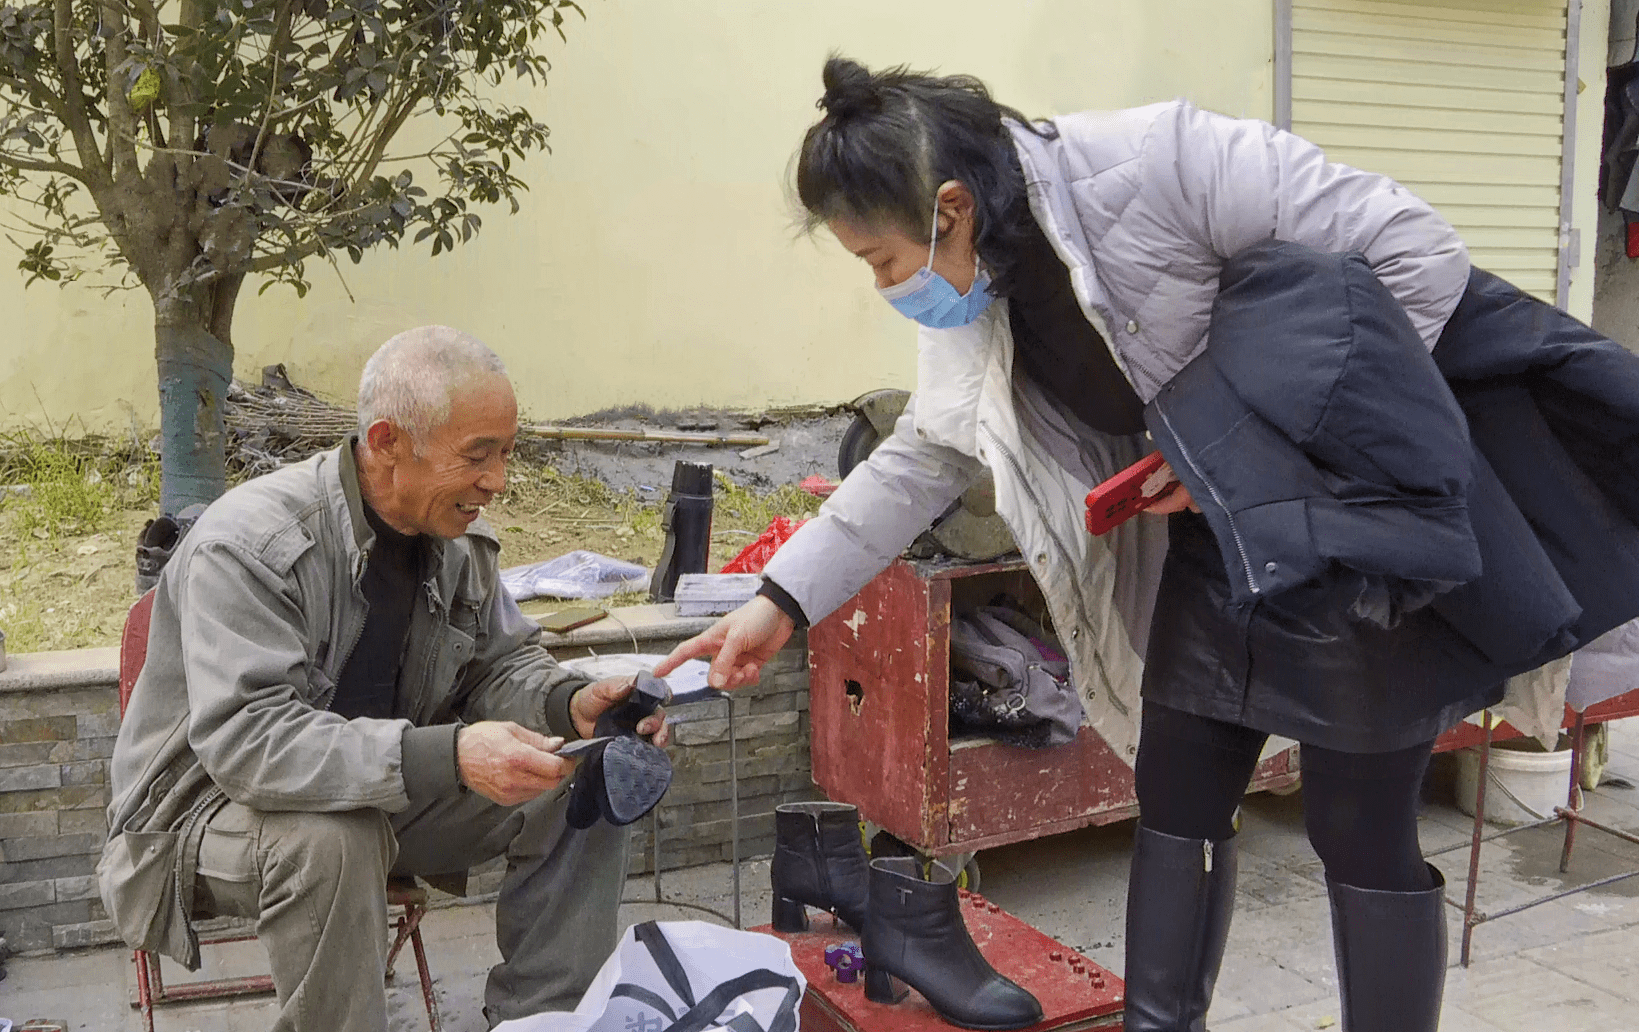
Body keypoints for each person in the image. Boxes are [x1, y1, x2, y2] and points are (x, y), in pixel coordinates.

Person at [656, 58, 1639, 1032]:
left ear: (949, 208)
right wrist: (778, 602)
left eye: (879, 260)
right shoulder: (982, 287)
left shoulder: (1166, 161)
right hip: (1216, 547)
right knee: (1177, 791)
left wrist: (1241, 449)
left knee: (1357, 821)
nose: (885, 288)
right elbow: (924, 454)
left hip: (1351, 533)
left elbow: (1417, 260)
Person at [99, 326, 670, 1032]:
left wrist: (568, 702)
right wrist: (451, 755)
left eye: (504, 454)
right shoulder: (248, 545)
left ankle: (543, 1019)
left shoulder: (457, 538)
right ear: (387, 442)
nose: (495, 481)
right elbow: (250, 744)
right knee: (331, 838)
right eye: (476, 456)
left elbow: (499, 664)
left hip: (380, 800)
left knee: (587, 773)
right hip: (200, 818)